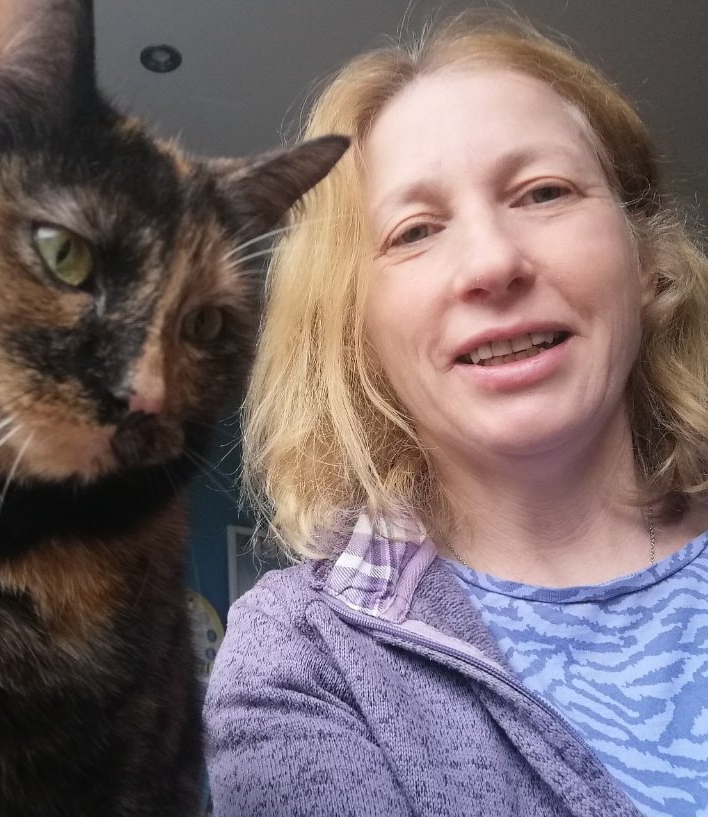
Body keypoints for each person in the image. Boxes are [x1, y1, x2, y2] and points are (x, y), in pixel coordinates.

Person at [204, 11, 708, 817]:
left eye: (544, 192)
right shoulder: (299, 654)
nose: (493, 262)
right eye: (415, 231)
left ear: (645, 258)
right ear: (357, 328)